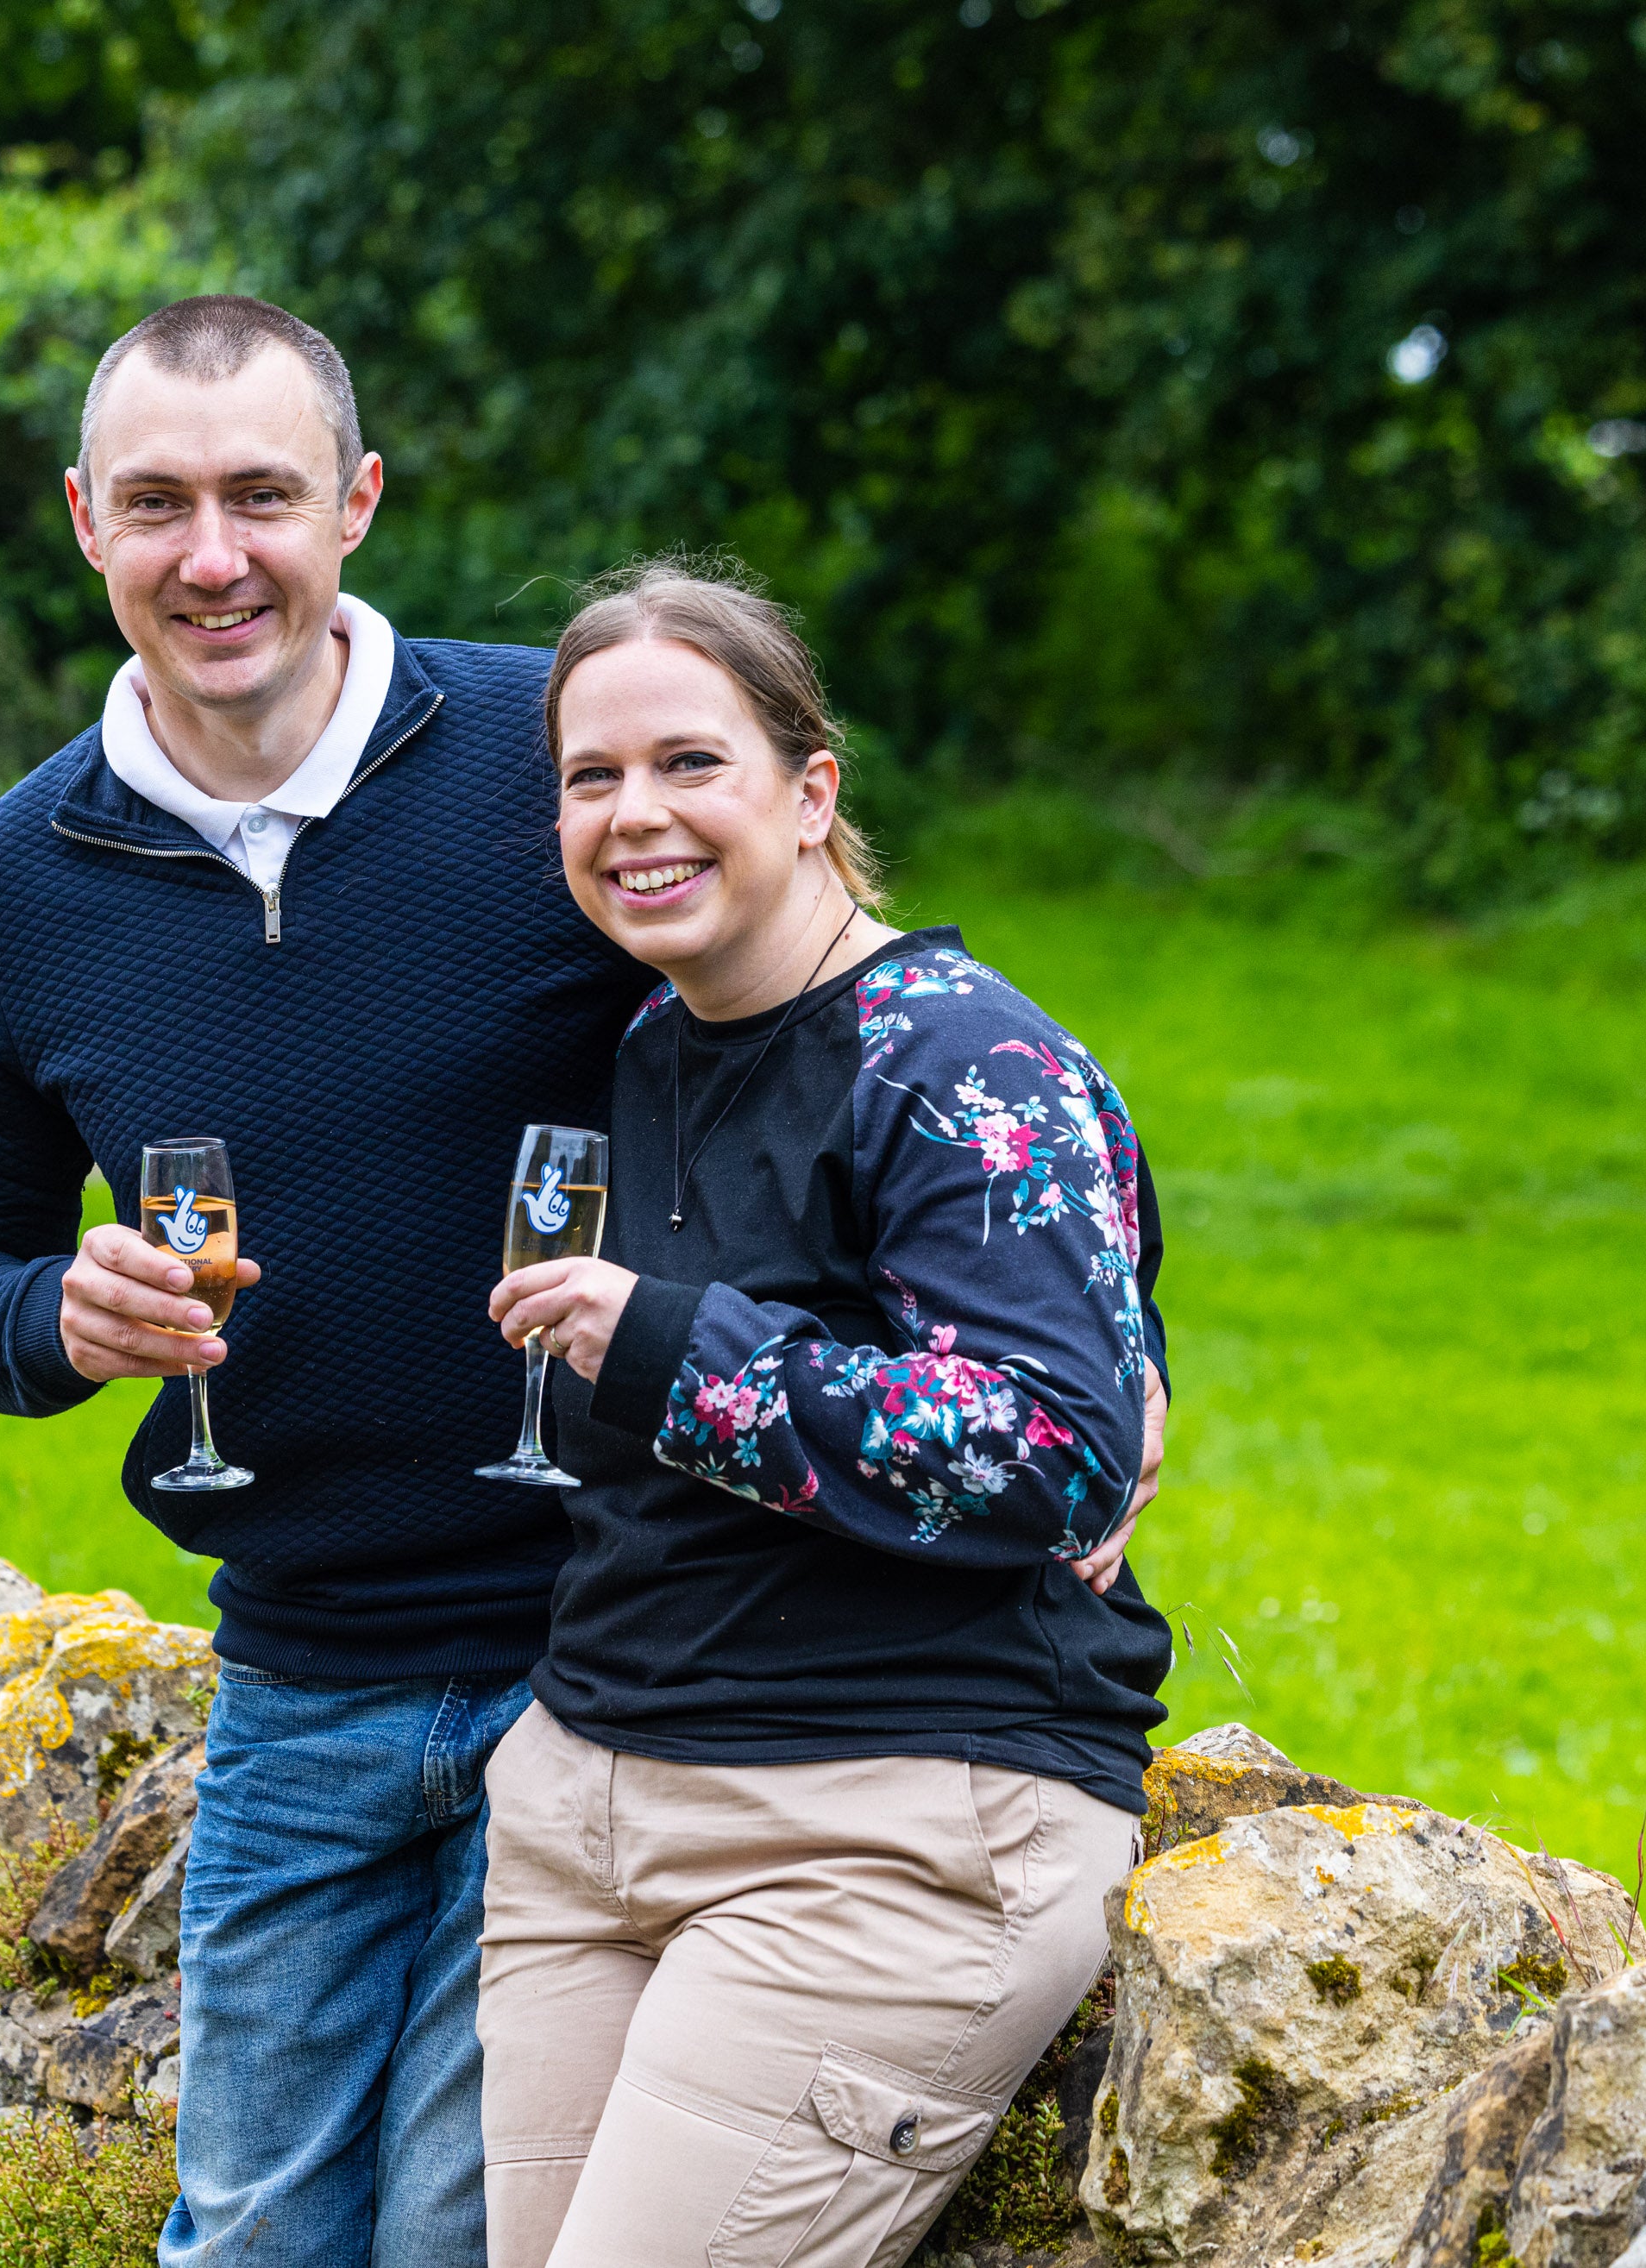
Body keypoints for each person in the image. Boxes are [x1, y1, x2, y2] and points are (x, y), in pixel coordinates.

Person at [0, 297, 650, 2267]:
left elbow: (879, 1024)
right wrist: (51, 1317)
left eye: (259, 496)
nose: (210, 554)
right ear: (82, 521)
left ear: (357, 503)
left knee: (452, 2239)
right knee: (239, 2237)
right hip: (294, 1671)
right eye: (157, 502)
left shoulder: (552, 755)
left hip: (596, 1654)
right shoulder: (12, 880)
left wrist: (1103, 1329)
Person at [475, 560, 1175, 2267]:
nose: (633, 814)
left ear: (809, 791)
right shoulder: (647, 1037)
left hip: (882, 1824)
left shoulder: (951, 1054)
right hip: (588, 1813)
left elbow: (1051, 1447)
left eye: (687, 763)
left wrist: (666, 1346)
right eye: (589, 776)